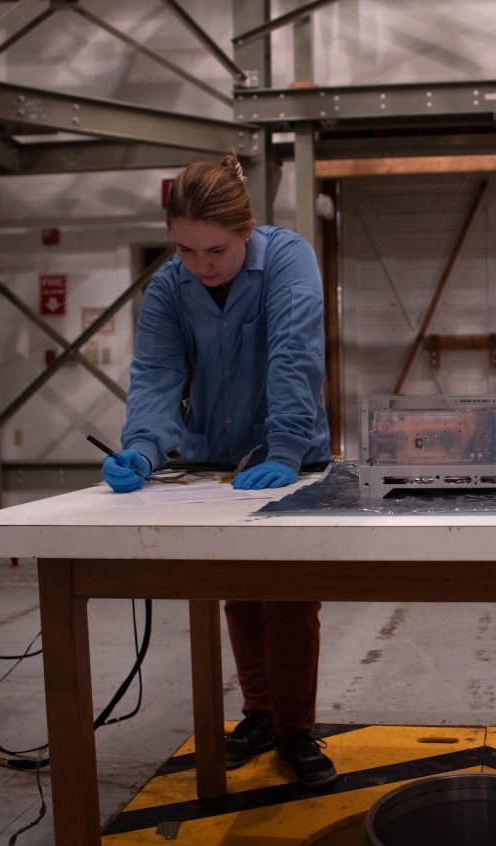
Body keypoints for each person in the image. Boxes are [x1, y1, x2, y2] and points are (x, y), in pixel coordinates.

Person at [101, 153, 336, 787]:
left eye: (217, 250)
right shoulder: (169, 288)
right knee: (238, 590)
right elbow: (155, 373)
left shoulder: (288, 260)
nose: (201, 265)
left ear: (248, 229)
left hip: (289, 459)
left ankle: (297, 730)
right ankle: (258, 714)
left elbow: (295, 350)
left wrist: (286, 448)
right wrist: (144, 449)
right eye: (185, 250)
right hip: (215, 460)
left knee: (287, 598)